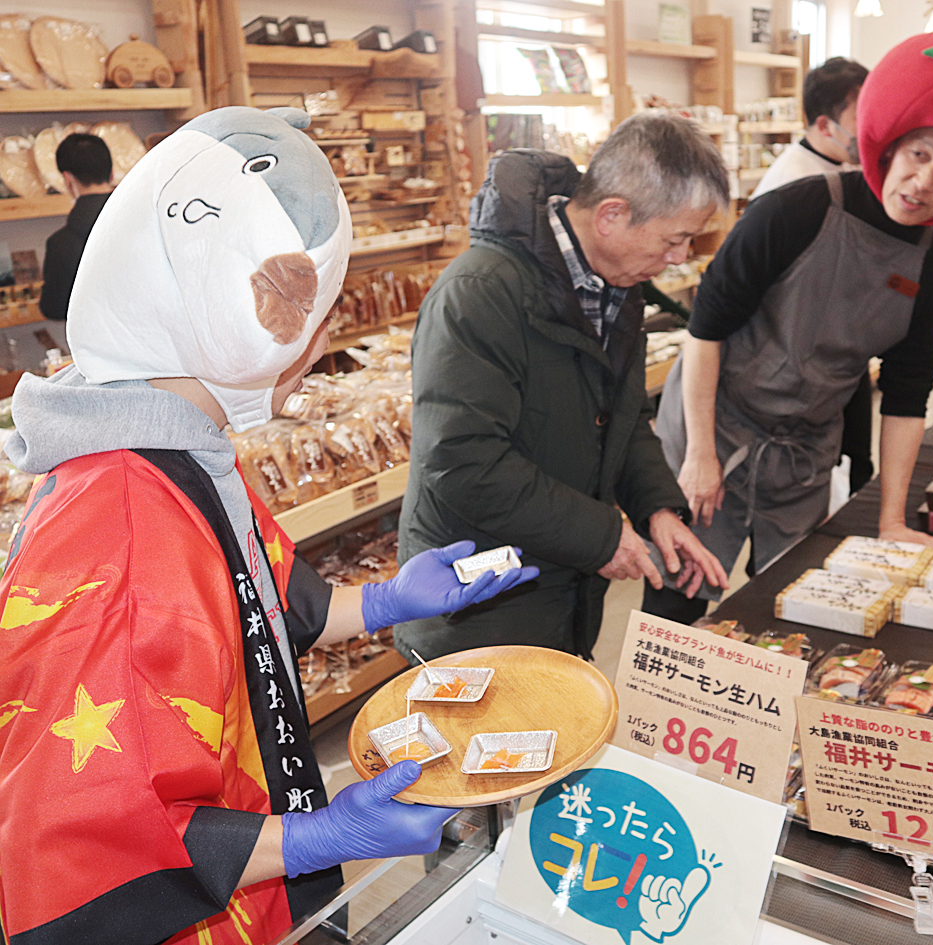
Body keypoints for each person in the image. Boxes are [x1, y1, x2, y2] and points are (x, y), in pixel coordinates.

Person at [0, 106, 536, 945]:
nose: (322, 342)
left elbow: (251, 611)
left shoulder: (173, 441)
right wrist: (320, 836)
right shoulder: (124, 531)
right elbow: (82, 842)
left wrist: (388, 599)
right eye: (309, 310)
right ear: (223, 315)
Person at [642, 26, 933, 625]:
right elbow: (707, 331)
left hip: (806, 447)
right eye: (918, 154)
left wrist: (892, 521)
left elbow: (908, 395)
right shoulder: (795, 209)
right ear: (889, 147)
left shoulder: (931, 266)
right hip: (715, 423)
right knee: (680, 589)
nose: (923, 182)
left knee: (792, 601)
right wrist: (700, 453)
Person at [398, 113, 730, 662]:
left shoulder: (617, 286)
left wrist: (658, 510)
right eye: (676, 238)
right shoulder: (480, 294)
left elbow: (621, 419)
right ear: (611, 215)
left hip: (561, 591)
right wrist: (602, 538)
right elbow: (461, 461)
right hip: (475, 603)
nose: (679, 258)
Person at [752, 56, 875, 496]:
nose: (873, 126)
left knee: (857, 462)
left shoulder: (844, 168)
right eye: (863, 115)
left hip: (841, 355)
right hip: (795, 373)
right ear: (825, 125)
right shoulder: (791, 187)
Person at [750, 56, 868, 200]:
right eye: (861, 117)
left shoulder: (845, 163)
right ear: (824, 126)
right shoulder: (794, 183)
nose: (870, 127)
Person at [38, 133, 114, 322]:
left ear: (68, 179)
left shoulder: (61, 244)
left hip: (101, 345)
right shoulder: (146, 217)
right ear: (111, 173)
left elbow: (54, 308)